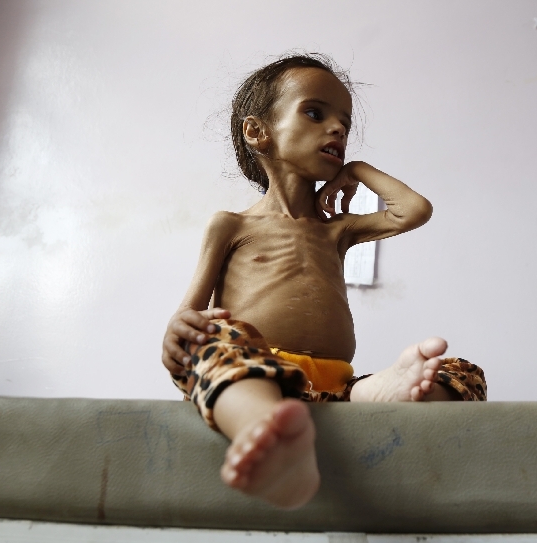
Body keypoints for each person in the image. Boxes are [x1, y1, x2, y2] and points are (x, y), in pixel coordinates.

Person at [162, 54, 486, 510]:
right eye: (315, 113)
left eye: (345, 124)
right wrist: (180, 331)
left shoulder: (337, 230)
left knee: (461, 374)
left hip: (339, 386)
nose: (336, 129)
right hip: (259, 375)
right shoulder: (231, 225)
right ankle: (265, 431)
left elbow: (414, 210)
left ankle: (376, 394)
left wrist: (357, 170)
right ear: (258, 131)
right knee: (211, 338)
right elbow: (190, 315)